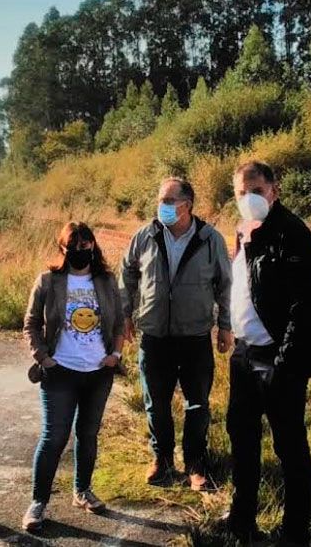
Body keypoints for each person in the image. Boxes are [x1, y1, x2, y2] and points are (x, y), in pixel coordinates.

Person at [223, 162, 311, 547]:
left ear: (275, 189)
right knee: (242, 439)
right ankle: (242, 519)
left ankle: (295, 531)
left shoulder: (294, 235)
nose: (248, 197)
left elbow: (303, 308)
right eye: (241, 191)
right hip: (244, 353)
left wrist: (285, 364)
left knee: (289, 446)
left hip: (279, 358)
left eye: (255, 189)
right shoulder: (242, 232)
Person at [119, 177, 233, 491]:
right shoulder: (146, 235)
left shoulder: (210, 239)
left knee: (197, 403)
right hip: (154, 336)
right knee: (156, 402)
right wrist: (125, 313)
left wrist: (225, 325)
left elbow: (226, 285)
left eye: (169, 201)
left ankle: (196, 462)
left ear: (188, 205)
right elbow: (127, 272)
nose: (163, 206)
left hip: (195, 336)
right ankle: (163, 459)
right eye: (160, 200)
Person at [21, 222, 126, 532]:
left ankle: (82, 491)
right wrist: (43, 358)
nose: (82, 251)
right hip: (60, 373)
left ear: (93, 246)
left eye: (86, 245)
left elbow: (119, 323)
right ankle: (38, 502)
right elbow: (30, 324)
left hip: (98, 373)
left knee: (88, 435)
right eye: (75, 246)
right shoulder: (48, 281)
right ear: (62, 249)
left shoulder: (106, 280)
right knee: (54, 437)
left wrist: (115, 356)